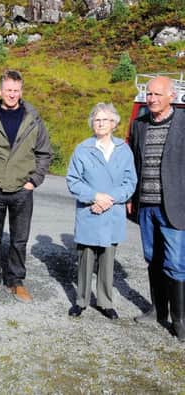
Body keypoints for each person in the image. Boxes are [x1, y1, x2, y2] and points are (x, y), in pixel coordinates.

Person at [0, 69, 52, 303]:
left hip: (22, 190)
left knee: (19, 239)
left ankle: (15, 281)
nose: (12, 94)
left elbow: (44, 153)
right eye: (8, 90)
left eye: (16, 90)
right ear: (0, 91)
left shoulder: (33, 119)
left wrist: (33, 181)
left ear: (21, 91)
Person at [66, 103, 136, 320]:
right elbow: (73, 180)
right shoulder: (82, 148)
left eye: (105, 119)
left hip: (112, 212)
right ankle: (81, 301)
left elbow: (130, 181)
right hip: (90, 211)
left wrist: (110, 199)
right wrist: (95, 197)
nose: (101, 123)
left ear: (114, 123)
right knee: (86, 258)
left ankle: (105, 302)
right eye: (97, 119)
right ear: (92, 123)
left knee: (107, 260)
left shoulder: (124, 150)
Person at [129, 76, 185, 341]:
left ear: (171, 96)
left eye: (157, 94)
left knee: (176, 264)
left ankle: (180, 320)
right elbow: (134, 164)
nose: (151, 99)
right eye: (149, 94)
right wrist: (131, 196)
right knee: (153, 259)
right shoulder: (139, 125)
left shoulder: (183, 123)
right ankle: (158, 310)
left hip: (174, 207)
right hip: (146, 206)